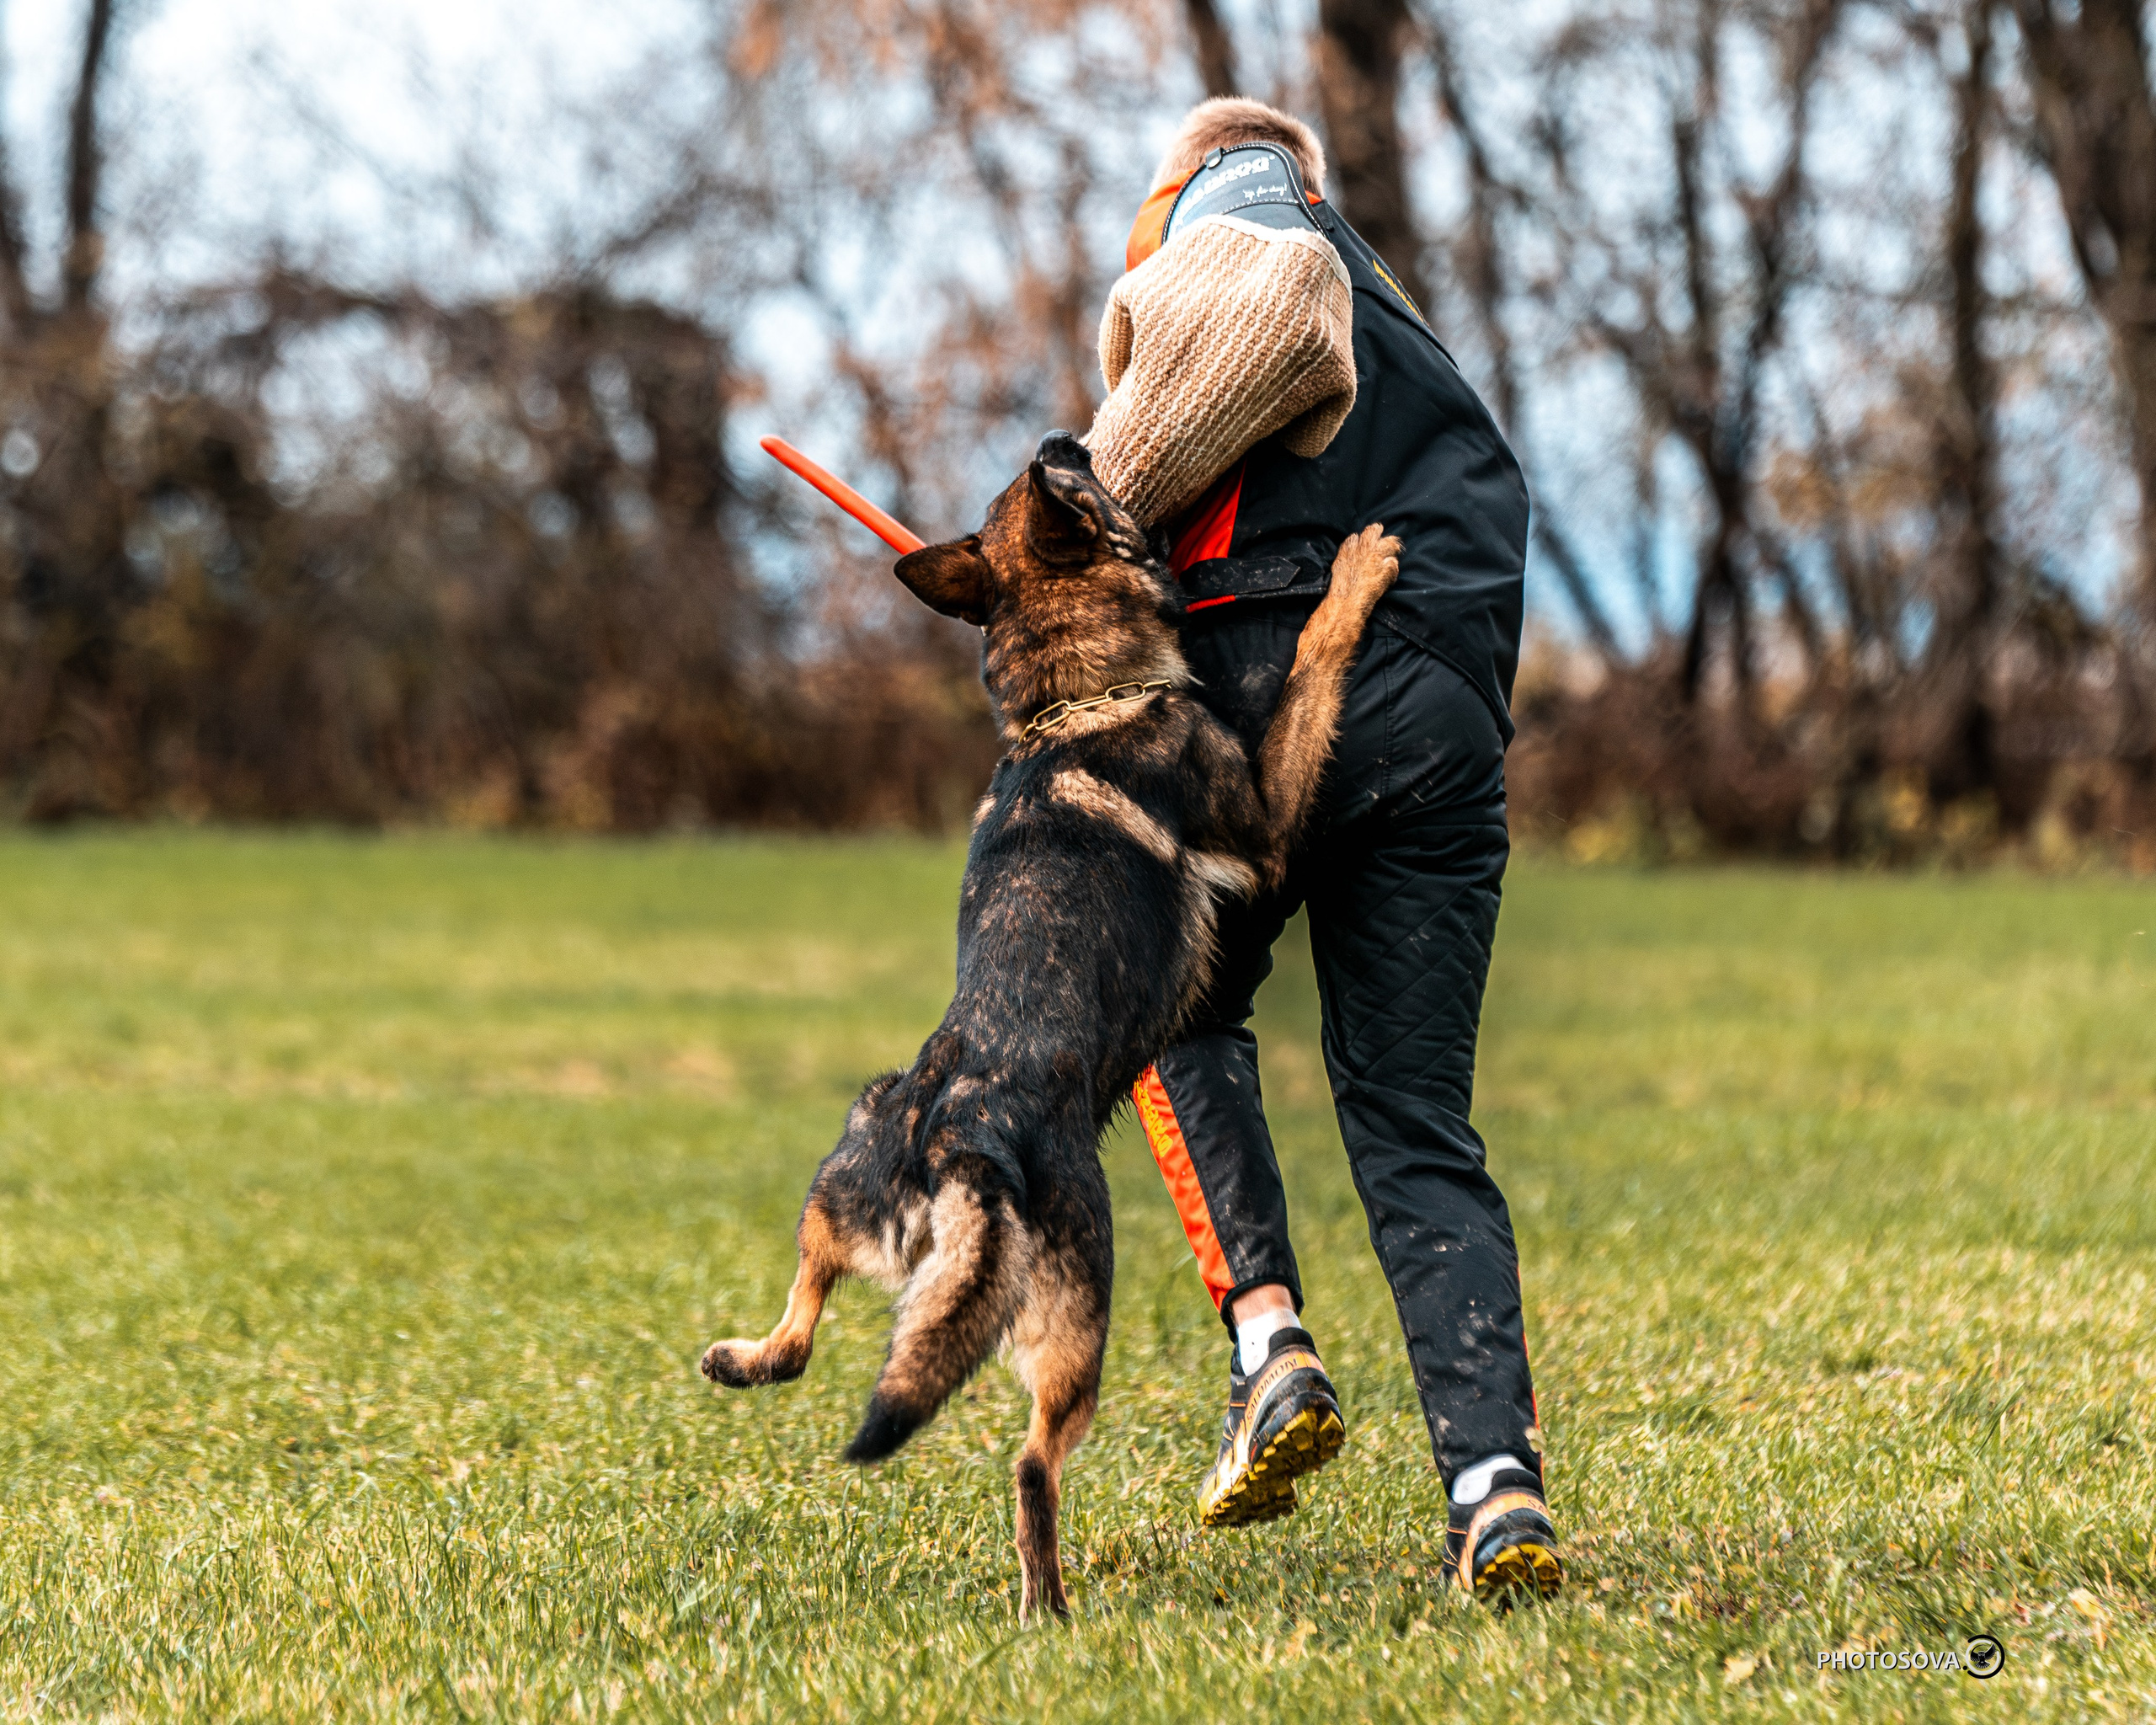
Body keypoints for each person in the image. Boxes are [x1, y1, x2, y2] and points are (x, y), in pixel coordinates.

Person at [1079, 98, 1561, 1599]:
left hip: (1285, 681)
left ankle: (1269, 1341)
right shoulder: (1412, 337)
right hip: (1442, 736)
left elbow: (1277, 307)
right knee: (1417, 1123)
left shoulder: (1247, 204)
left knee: (1168, 1005)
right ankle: (1495, 1491)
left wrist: (1065, 514)